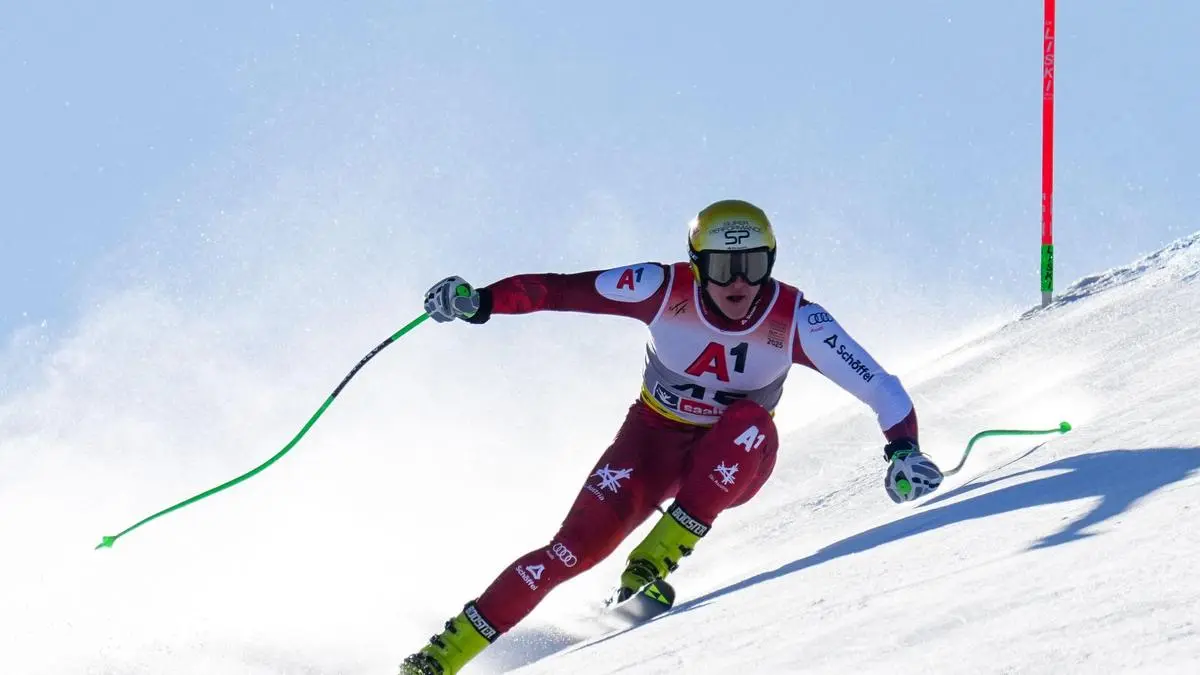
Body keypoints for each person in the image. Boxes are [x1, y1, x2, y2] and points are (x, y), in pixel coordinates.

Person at [399, 199, 943, 674]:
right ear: (697, 264)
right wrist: (480, 301)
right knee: (568, 552)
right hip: (650, 445)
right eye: (723, 267)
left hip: (735, 459)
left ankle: (651, 564)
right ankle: (439, 658)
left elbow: (880, 386)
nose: (738, 284)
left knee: (748, 422)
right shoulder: (660, 288)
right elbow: (559, 290)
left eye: (753, 266)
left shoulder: (798, 319)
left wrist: (903, 449)